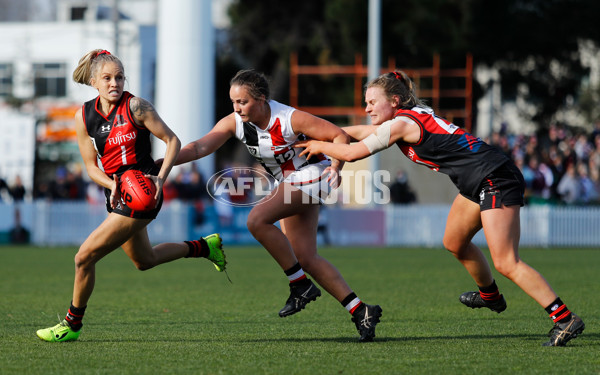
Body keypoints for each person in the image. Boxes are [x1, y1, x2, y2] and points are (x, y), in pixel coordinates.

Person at [295, 70, 584, 347]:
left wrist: (321, 144)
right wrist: (324, 132)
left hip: (494, 177)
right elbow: (361, 131)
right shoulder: (405, 118)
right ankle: (490, 295)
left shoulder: (402, 124)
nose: (367, 108)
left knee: (506, 261)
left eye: (372, 102)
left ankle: (565, 319)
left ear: (394, 101)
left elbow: (351, 152)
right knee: (454, 242)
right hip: (479, 179)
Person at [171, 69, 382, 342]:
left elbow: (338, 136)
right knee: (305, 257)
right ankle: (361, 310)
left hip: (314, 174)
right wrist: (162, 162)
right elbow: (199, 148)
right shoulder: (236, 121)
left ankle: (299, 285)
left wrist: (337, 165)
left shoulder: (288, 118)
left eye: (242, 102)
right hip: (294, 182)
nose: (237, 108)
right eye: (233, 102)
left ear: (261, 99)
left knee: (256, 220)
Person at [36, 49, 226, 343]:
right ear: (94, 82)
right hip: (117, 194)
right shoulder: (83, 117)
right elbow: (90, 167)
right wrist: (111, 185)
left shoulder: (136, 106)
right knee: (144, 260)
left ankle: (71, 325)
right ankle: (203, 247)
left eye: (120, 77)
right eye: (108, 78)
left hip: (144, 193)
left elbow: (172, 141)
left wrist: (160, 179)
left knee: (83, 257)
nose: (115, 83)